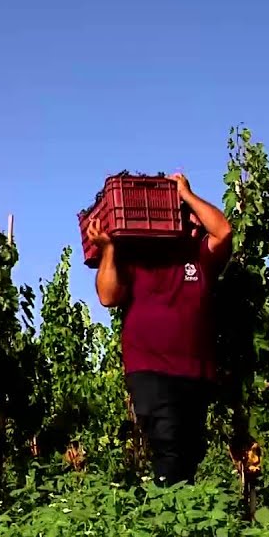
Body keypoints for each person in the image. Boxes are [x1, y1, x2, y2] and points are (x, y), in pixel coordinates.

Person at [88, 172, 233, 486]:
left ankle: (182, 517)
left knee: (190, 452)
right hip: (150, 369)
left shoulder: (200, 255)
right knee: (168, 448)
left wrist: (186, 193)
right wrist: (109, 250)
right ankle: (167, 510)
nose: (195, 222)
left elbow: (223, 230)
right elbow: (108, 296)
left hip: (197, 371)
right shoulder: (134, 253)